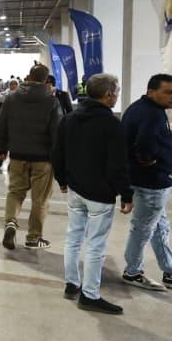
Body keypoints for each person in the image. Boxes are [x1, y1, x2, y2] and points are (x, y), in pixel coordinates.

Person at [52, 73, 133, 313]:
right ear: (108, 95)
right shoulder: (111, 124)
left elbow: (58, 153)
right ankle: (90, 294)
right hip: (100, 194)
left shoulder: (69, 119)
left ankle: (71, 283)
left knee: (73, 237)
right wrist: (126, 194)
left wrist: (62, 180)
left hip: (75, 189)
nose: (117, 96)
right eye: (116, 92)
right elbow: (118, 164)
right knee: (96, 245)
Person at [121, 74, 172, 291]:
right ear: (151, 92)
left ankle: (171, 273)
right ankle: (132, 272)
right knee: (143, 229)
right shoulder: (152, 114)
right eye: (168, 92)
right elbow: (144, 143)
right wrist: (147, 159)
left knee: (159, 228)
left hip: (147, 181)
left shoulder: (140, 108)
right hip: (150, 183)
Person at [0, 64, 62, 249]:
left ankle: (11, 222)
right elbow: (57, 132)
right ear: (46, 80)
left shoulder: (12, 98)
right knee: (40, 199)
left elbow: (1, 124)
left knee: (15, 192)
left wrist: (1, 148)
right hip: (43, 159)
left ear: (29, 76)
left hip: (17, 155)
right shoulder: (52, 101)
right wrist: (58, 158)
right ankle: (33, 237)